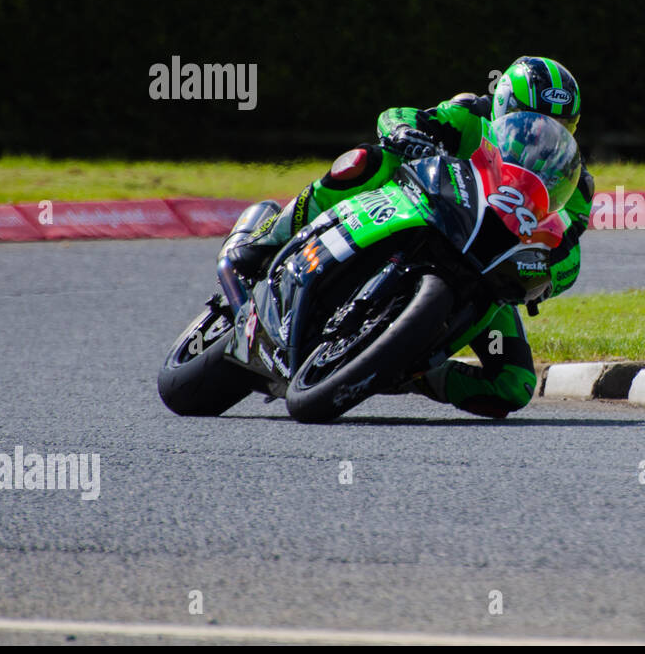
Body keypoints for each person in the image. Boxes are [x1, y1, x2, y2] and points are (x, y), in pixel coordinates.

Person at [220, 56, 595, 418]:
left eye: (558, 123)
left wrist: (546, 273)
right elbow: (399, 116)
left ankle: (410, 369)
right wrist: (407, 135)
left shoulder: (573, 181)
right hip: (421, 209)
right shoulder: (469, 115)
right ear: (502, 105)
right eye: (530, 118)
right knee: (366, 161)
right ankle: (269, 238)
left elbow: (568, 247)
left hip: (488, 269)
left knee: (513, 385)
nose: (541, 131)